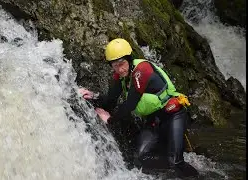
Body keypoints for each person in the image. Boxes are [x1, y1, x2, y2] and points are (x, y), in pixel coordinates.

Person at [79, 38, 199, 178]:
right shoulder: (121, 76)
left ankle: (195, 174)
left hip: (173, 115)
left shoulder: (141, 70)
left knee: (176, 162)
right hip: (154, 120)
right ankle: (170, 165)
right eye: (115, 66)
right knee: (141, 158)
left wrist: (110, 120)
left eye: (122, 64)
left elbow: (130, 104)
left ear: (129, 59)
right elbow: (110, 101)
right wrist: (93, 97)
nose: (119, 69)